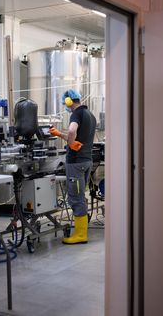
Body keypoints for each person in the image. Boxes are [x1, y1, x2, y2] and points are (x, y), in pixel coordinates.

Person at [49, 89, 96, 244]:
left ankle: (81, 235)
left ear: (69, 101)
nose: (66, 106)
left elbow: (71, 131)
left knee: (76, 197)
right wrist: (59, 135)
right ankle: (81, 231)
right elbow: (77, 138)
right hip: (87, 160)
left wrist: (69, 142)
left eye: (65, 103)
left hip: (76, 163)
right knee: (81, 195)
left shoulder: (77, 114)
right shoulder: (91, 115)